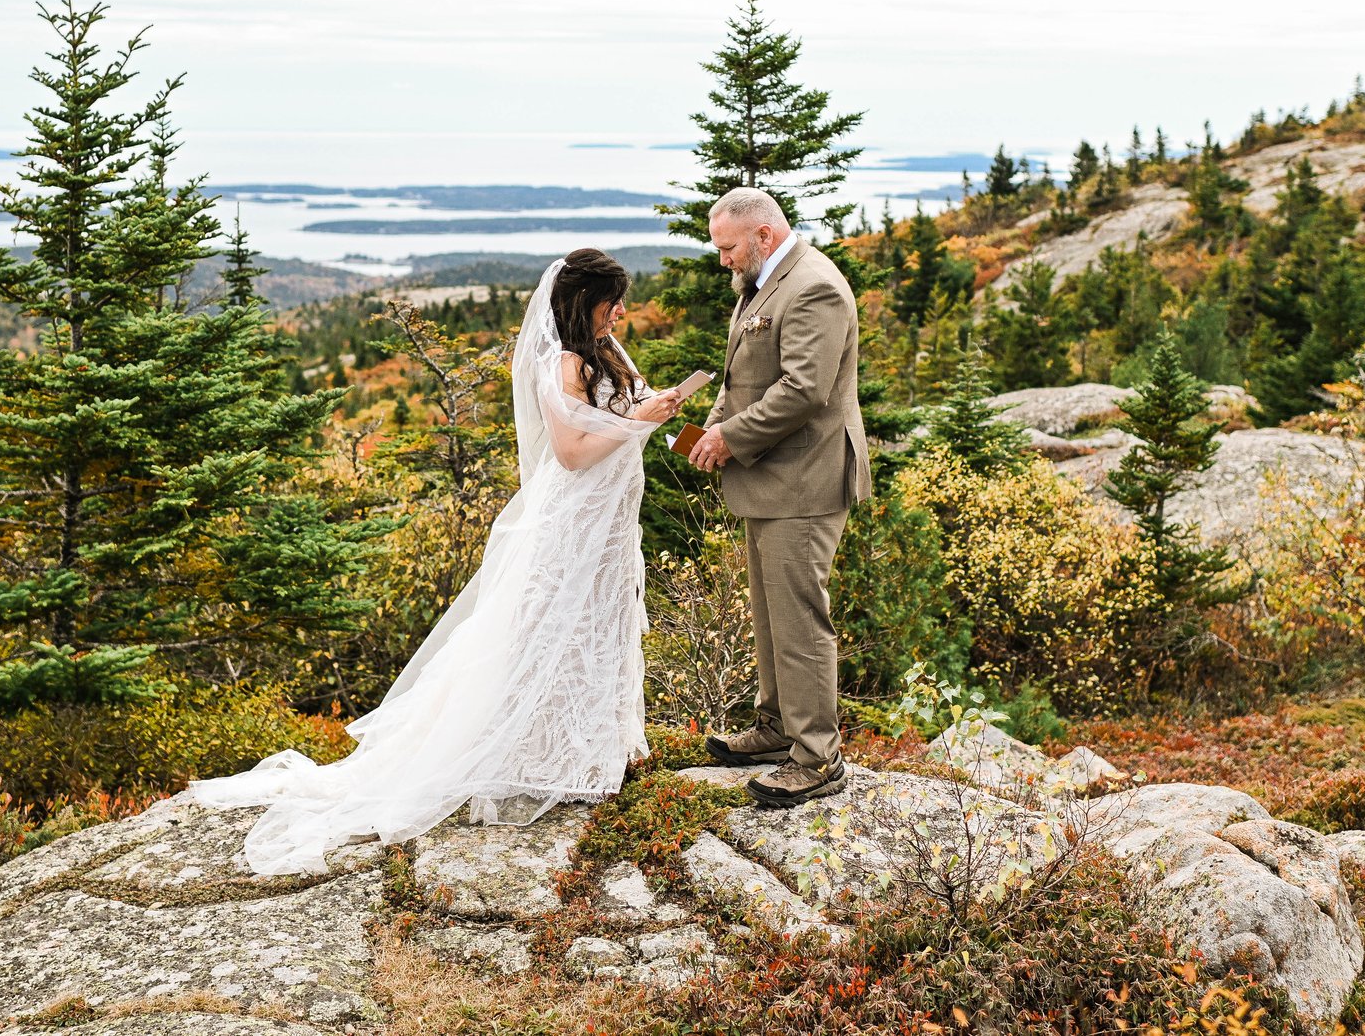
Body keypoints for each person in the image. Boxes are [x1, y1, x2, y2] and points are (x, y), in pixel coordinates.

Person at [181, 248, 688, 875]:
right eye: (613, 301)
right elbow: (572, 452)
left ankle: (588, 752)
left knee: (598, 626)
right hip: (574, 518)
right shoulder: (565, 362)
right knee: (551, 629)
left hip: (609, 523)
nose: (621, 312)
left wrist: (654, 407)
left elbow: (613, 423)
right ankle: (534, 757)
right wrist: (638, 416)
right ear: (584, 301)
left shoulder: (609, 353)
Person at [684, 186, 871, 807]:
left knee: (800, 620)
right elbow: (743, 376)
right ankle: (774, 729)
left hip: (806, 479)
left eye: (728, 247)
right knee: (770, 615)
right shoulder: (762, 281)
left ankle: (817, 756)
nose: (722, 260)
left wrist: (730, 441)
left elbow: (803, 390)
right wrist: (713, 430)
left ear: (762, 236)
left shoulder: (813, 284)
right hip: (771, 478)